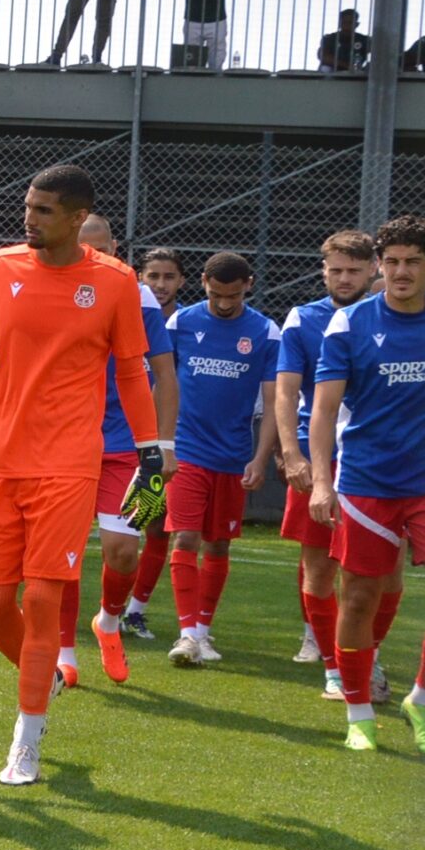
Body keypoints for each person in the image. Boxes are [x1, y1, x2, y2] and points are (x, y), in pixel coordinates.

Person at [0, 164, 158, 785]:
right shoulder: (0, 267)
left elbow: (132, 370)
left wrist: (152, 450)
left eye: (44, 210)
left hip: (69, 466)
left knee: (43, 601)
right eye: (28, 206)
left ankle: (26, 741)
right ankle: (41, 676)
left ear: (78, 218)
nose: (29, 219)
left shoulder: (116, 282)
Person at [307, 215, 425, 755]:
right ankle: (359, 713)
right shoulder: (350, 323)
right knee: (360, 597)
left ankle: (422, 700)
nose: (401, 271)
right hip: (366, 482)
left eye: (412, 262)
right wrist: (321, 482)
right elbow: (324, 410)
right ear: (379, 267)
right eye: (391, 262)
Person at [271, 230, 381, 699]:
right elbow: (285, 392)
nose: (344, 278)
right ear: (323, 271)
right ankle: (334, 665)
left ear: (373, 269)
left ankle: (367, 656)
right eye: (336, 270)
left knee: (375, 573)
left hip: (375, 461)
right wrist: (291, 454)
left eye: (354, 270)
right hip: (319, 458)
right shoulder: (303, 318)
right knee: (317, 566)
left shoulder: (389, 317)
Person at [160, 252, 281, 667]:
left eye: (233, 296)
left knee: (218, 543)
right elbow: (162, 384)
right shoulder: (181, 323)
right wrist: (161, 443)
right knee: (185, 537)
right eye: (216, 295)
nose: (225, 303)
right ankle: (187, 634)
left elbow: (274, 401)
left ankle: (203, 630)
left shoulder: (265, 332)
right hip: (186, 449)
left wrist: (260, 458)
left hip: (232, 455)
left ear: (248, 285)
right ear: (203, 283)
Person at [74, 215, 176, 690]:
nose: (95, 257)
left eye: (104, 248)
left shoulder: (139, 295)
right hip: (66, 441)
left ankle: (109, 621)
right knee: (60, 555)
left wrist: (164, 444)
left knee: (123, 551)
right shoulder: (46, 286)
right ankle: (63, 653)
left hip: (126, 443)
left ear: (116, 247)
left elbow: (165, 374)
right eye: (86, 248)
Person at [121, 246, 189, 636]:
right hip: (118, 436)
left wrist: (168, 440)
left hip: (161, 440)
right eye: (153, 276)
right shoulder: (123, 310)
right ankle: (106, 609)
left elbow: (175, 383)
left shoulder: (186, 326)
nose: (161, 285)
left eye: (169, 277)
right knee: (117, 533)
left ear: (182, 280)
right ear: (141, 278)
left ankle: (134, 610)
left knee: (155, 525)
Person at [318, 9, 372, 74]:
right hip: (332, 72)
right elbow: (323, 56)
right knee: (325, 68)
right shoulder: (330, 38)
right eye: (344, 23)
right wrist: (347, 66)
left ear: (356, 24)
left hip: (357, 72)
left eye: (350, 23)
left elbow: (379, 53)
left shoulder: (364, 40)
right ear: (339, 24)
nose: (347, 26)